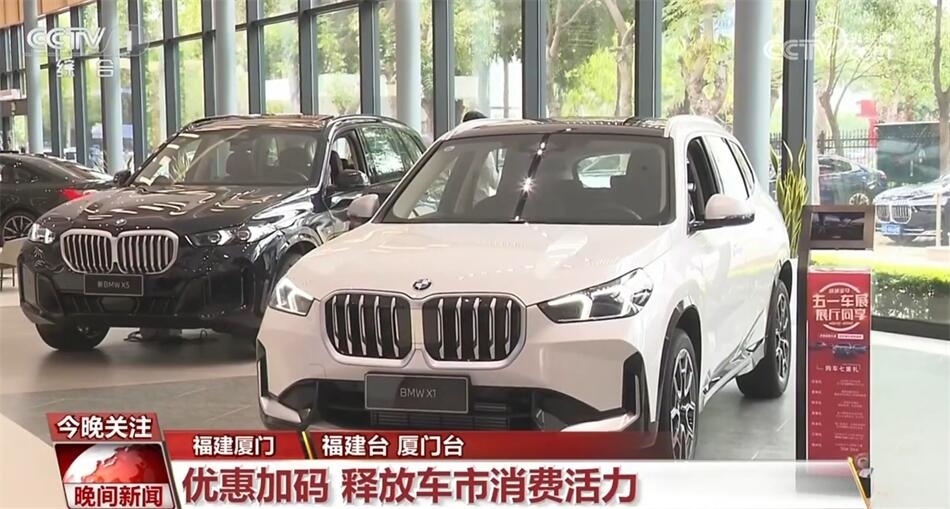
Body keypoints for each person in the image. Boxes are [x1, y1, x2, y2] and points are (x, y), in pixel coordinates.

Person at [462, 111, 500, 204]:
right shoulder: (484, 153)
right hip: (479, 205)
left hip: (459, 206)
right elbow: (494, 182)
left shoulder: (458, 150)